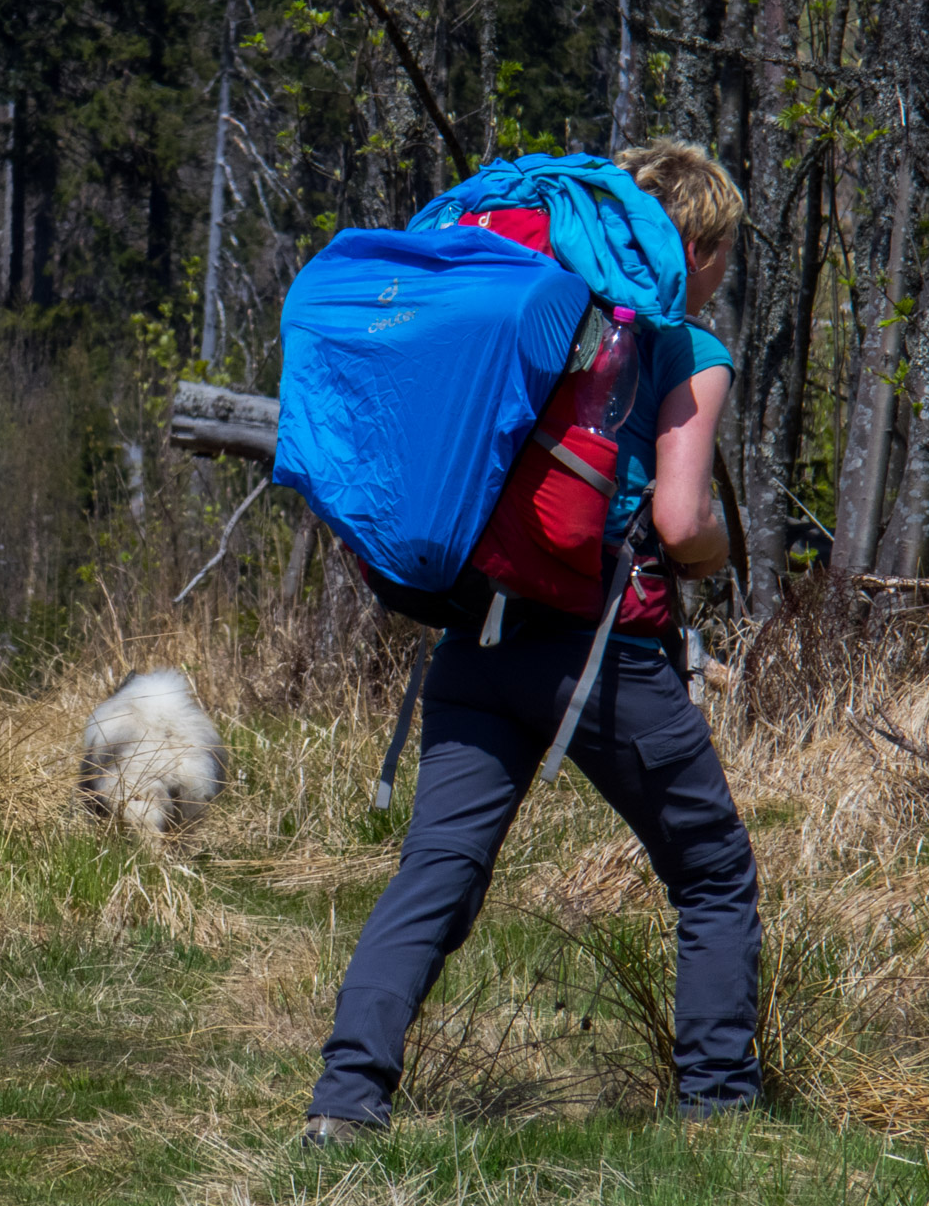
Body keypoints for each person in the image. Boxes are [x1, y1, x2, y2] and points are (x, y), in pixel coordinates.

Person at [304, 139, 759, 1143]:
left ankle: (345, 1103)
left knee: (438, 871)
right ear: (703, 248)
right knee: (714, 871)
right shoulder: (683, 345)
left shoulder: (539, 309)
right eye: (725, 252)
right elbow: (681, 527)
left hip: (474, 641)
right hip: (601, 660)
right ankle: (721, 1111)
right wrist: (724, 549)